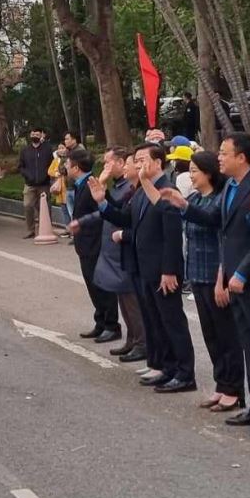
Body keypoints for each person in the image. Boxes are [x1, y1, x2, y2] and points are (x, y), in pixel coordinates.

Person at [171, 133, 250, 436]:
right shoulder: (232, 187)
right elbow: (218, 224)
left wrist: (243, 273)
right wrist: (184, 205)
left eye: (224, 153)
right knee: (249, 346)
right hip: (234, 277)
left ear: (242, 157)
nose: (219, 157)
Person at [110, 144, 197, 392]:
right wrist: (103, 202)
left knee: (172, 322)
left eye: (141, 160)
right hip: (145, 266)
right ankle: (166, 367)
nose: (137, 164)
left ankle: (184, 373)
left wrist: (169, 270)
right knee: (155, 321)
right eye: (135, 160)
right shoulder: (141, 190)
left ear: (158, 162)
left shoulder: (166, 188)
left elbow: (171, 234)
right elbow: (129, 220)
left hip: (163, 269)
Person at [176, 150, 244, 411]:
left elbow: (214, 227)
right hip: (197, 274)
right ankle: (221, 384)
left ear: (208, 173)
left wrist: (221, 279)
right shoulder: (194, 197)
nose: (190, 175)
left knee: (227, 335)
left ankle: (234, 389)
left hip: (215, 275)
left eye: (194, 170)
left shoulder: (219, 199)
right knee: (211, 335)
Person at [75, 148, 146, 362]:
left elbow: (124, 217)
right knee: (124, 299)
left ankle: (142, 343)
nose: (105, 167)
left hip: (125, 250)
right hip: (115, 248)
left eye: (108, 163)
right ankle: (133, 340)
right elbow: (112, 210)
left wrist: (102, 190)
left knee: (132, 301)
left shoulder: (135, 189)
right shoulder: (124, 188)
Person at [64, 149, 121, 344]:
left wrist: (82, 224)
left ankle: (112, 325)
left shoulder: (92, 185)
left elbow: (103, 213)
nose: (65, 167)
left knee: (102, 285)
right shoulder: (81, 185)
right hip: (85, 244)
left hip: (96, 243)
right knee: (92, 285)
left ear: (76, 168)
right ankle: (101, 321)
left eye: (67, 164)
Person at [18, 127, 56, 239]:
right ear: (30, 135)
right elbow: (21, 166)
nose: (35, 136)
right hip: (29, 184)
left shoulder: (48, 149)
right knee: (27, 205)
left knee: (44, 208)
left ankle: (45, 229)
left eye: (37, 134)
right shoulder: (25, 150)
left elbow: (53, 164)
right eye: (33, 134)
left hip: (44, 184)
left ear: (42, 135)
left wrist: (47, 176)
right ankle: (30, 230)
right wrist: (27, 175)